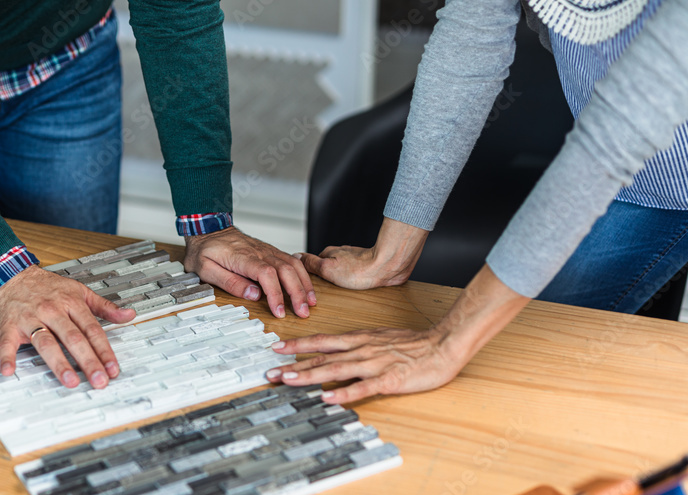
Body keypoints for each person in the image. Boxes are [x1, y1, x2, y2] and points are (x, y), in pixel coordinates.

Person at [0, 0, 316, 391]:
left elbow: (176, 13)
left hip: (61, 61)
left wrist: (209, 222)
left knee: (75, 285)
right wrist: (4, 273)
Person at [267, 0, 688, 403]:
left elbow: (623, 125)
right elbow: (472, 39)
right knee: (511, 360)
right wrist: (391, 255)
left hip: (626, 145)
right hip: (646, 182)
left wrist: (446, 343)